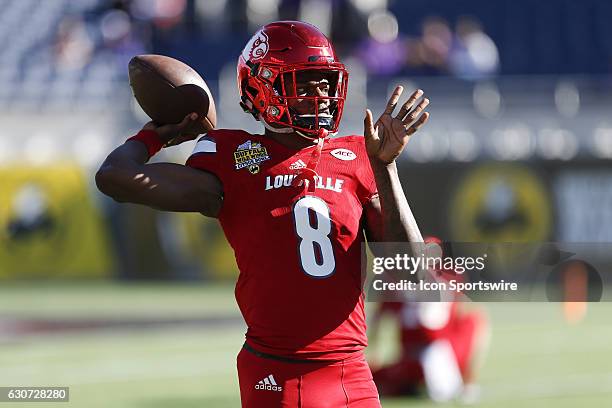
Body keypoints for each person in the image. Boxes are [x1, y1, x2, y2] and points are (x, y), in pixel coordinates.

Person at [96, 21, 429, 407]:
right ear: (262, 89)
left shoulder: (359, 156)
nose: (320, 94)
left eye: (324, 82)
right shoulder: (232, 158)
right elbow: (114, 177)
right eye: (303, 83)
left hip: (352, 374)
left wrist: (386, 168)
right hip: (277, 376)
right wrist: (155, 134)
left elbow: (414, 273)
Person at [369, 237, 490, 404]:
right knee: (476, 320)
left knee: (372, 379)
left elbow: (380, 317)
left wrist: (375, 352)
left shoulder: (398, 278)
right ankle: (466, 383)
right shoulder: (448, 275)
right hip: (437, 353)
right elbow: (464, 311)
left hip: (419, 354)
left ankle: (418, 384)